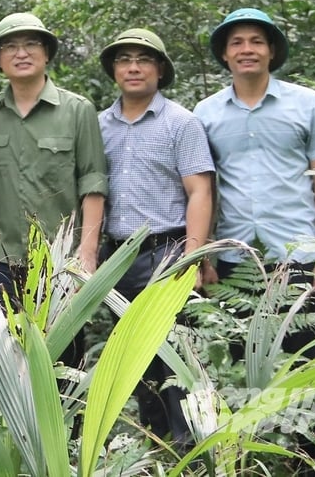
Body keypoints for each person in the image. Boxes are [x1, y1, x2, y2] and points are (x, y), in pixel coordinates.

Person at [0, 12, 107, 370]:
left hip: (58, 265)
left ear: (46, 53)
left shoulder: (77, 111)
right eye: (10, 46)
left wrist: (87, 254)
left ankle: (64, 428)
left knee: (60, 364)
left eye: (31, 44)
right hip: (1, 259)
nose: (21, 53)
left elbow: (93, 183)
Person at [193, 7, 315, 356]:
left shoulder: (307, 104)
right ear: (224, 54)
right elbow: (206, 190)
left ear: (271, 51)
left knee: (302, 364)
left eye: (257, 41)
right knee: (242, 361)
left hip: (299, 255)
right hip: (235, 258)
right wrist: (206, 255)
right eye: (237, 42)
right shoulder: (205, 113)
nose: (248, 49)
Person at [97, 27, 214, 445]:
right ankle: (155, 442)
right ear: (113, 69)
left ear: (160, 70)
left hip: (167, 253)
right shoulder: (99, 125)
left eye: (143, 59)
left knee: (175, 357)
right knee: (133, 358)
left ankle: (189, 449)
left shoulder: (181, 122)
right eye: (124, 59)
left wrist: (194, 258)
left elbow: (199, 190)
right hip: (118, 259)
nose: (133, 67)